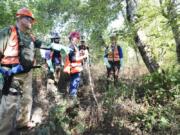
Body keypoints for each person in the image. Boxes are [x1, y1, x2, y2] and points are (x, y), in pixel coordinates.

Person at [0, 7, 52, 134]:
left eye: (31, 19)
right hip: (12, 74)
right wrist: (3, 71)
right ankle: (3, 131)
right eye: (28, 18)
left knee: (27, 99)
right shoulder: (8, 32)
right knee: (10, 105)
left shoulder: (31, 37)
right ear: (19, 18)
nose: (31, 21)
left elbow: (47, 45)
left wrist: (57, 46)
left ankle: (22, 123)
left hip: (27, 74)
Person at [64, 32, 87, 98]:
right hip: (73, 69)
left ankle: (73, 98)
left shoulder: (75, 46)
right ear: (71, 39)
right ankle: (72, 100)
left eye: (78, 38)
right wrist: (84, 56)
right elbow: (73, 59)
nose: (77, 39)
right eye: (76, 38)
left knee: (75, 85)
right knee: (74, 86)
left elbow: (76, 55)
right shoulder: (71, 47)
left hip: (76, 69)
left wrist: (81, 53)